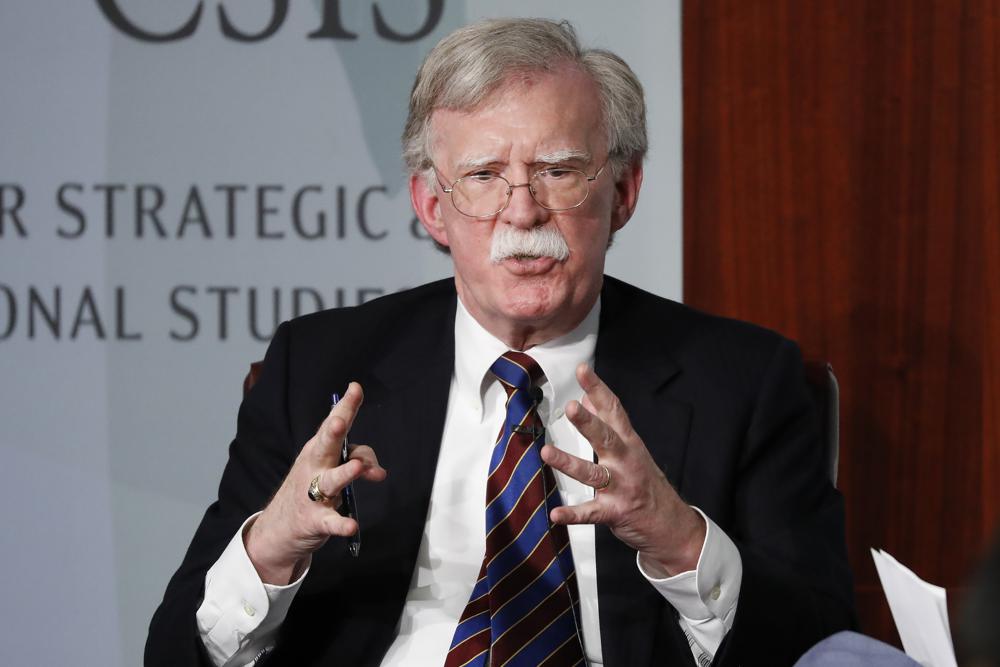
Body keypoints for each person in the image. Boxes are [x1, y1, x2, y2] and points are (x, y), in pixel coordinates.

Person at [146, 18, 854, 667]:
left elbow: (824, 645)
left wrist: (679, 541)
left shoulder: (745, 380)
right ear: (432, 207)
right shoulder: (321, 367)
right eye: (484, 176)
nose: (522, 211)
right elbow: (175, 652)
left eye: (558, 171)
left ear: (624, 191)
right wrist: (269, 553)